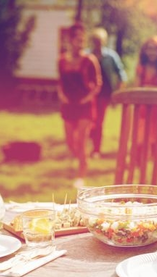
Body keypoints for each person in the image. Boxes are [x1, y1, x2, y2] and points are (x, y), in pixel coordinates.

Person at [57, 23, 102, 188]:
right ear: (69, 41)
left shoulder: (90, 60)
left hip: (85, 106)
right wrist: (62, 96)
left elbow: (98, 83)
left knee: (82, 140)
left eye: (83, 40)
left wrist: (87, 98)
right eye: (77, 39)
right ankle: (80, 161)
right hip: (68, 105)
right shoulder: (62, 61)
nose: (80, 43)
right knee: (70, 141)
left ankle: (81, 175)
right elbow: (60, 82)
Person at [88, 27, 128, 158]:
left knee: (98, 121)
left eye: (99, 40)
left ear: (104, 41)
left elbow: (121, 74)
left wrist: (118, 93)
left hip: (104, 94)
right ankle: (86, 145)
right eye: (95, 40)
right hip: (89, 94)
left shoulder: (111, 57)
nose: (97, 43)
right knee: (88, 121)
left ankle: (96, 149)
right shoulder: (87, 56)